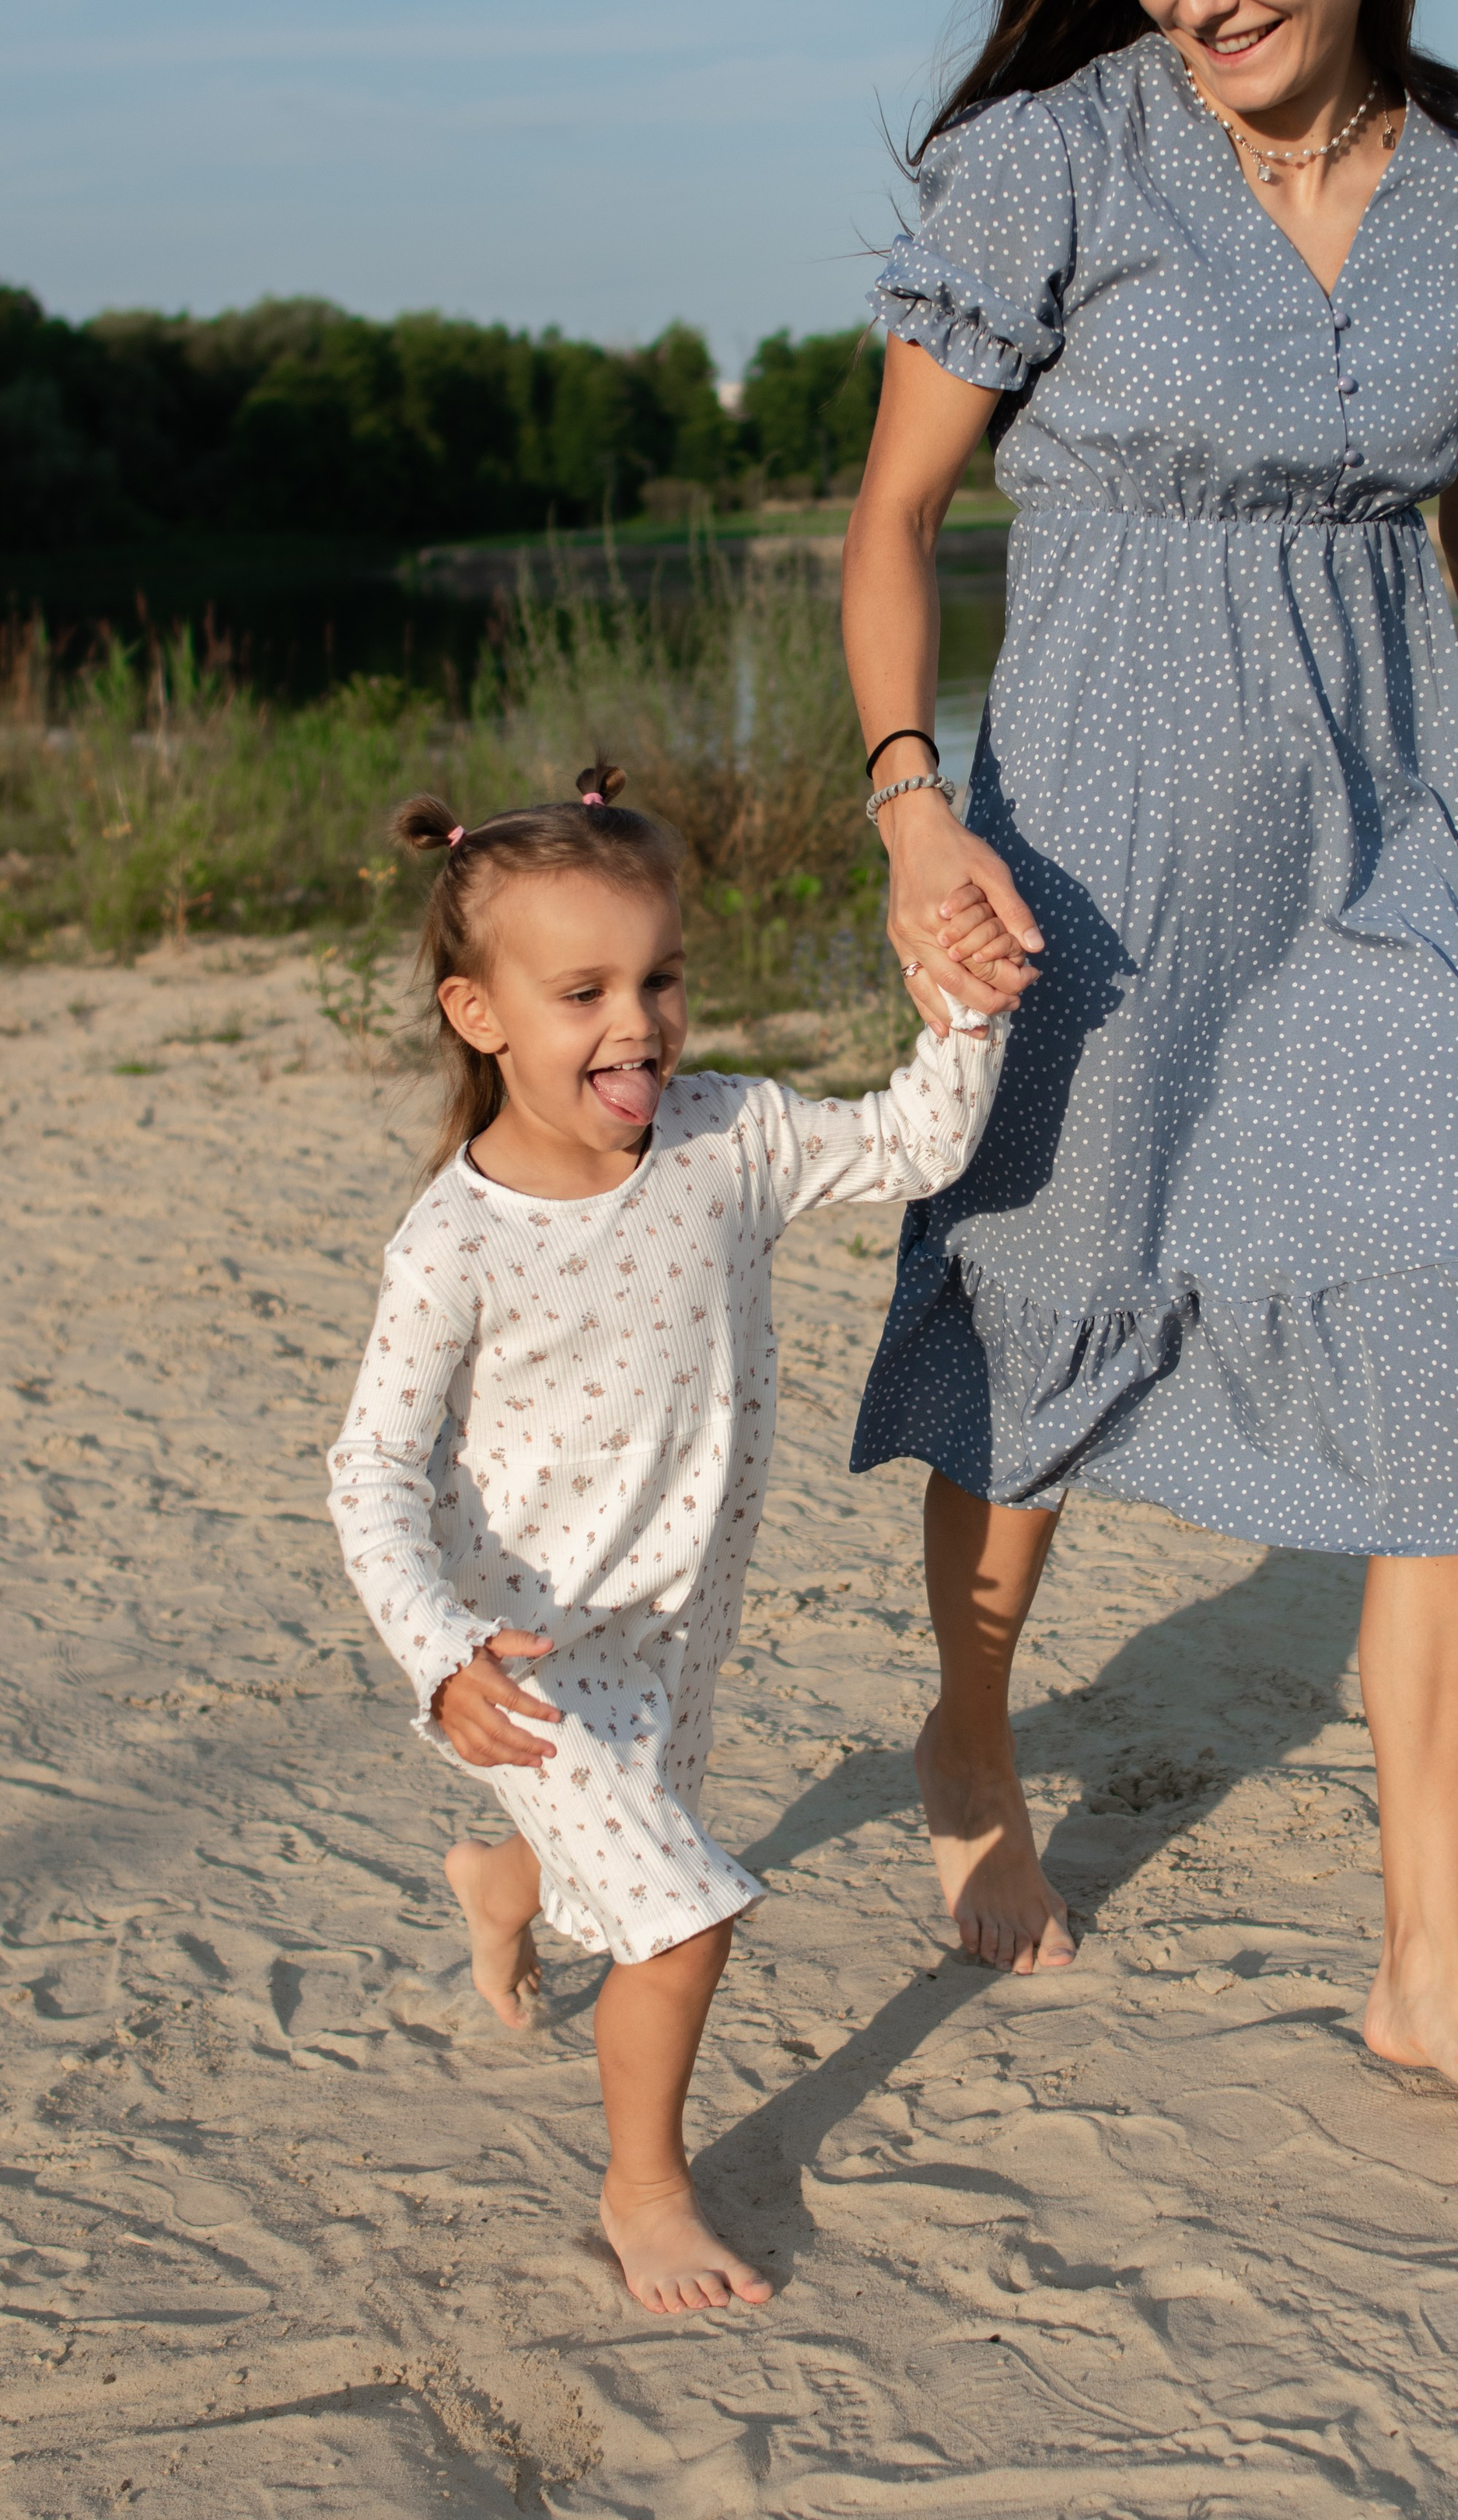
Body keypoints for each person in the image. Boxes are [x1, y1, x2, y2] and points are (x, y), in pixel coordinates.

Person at [840, 0, 1458, 2148]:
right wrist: (908, 812)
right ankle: (973, 1727)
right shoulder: (1047, 167)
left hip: (1375, 845)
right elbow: (886, 529)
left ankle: (1430, 1962)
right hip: (1081, 847)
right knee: (1050, 1318)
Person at [326, 766, 1005, 2312]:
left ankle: (500, 1888)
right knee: (683, 1911)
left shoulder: (728, 1141)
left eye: (656, 979)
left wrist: (962, 1015)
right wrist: (438, 1657)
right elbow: (367, 1468)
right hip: (526, 1663)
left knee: (613, 1867)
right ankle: (645, 2191)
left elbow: (914, 1145)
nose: (633, 1022)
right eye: (581, 992)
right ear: (477, 1013)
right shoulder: (453, 1243)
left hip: (678, 1627)